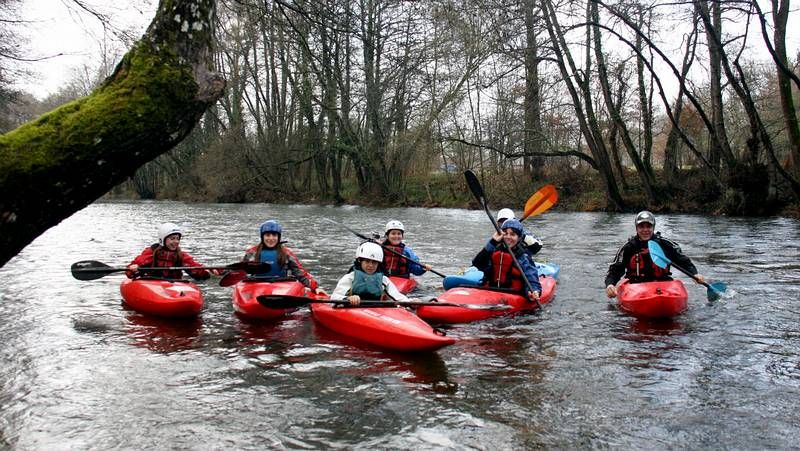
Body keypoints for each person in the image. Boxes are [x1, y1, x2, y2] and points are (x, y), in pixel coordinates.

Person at [605, 211, 706, 298]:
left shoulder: (665, 244)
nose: (645, 230)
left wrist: (695, 274)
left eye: (648, 226)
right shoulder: (628, 247)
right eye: (641, 226)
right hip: (636, 286)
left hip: (663, 284)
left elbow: (682, 261)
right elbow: (615, 270)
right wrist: (610, 285)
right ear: (636, 228)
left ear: (653, 227)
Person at [242, 220, 325, 295]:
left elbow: (300, 273)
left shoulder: (287, 253)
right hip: (257, 286)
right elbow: (240, 272)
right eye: (267, 235)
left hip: (281, 287)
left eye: (274, 235)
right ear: (262, 237)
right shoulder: (252, 252)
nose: (271, 238)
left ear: (278, 237)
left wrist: (315, 287)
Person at [472, 218, 541, 302]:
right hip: (489, 293)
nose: (508, 237)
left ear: (519, 238)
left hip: (512, 296)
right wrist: (493, 241)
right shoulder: (493, 251)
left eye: (512, 234)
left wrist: (533, 292)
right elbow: (477, 263)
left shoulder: (523, 258)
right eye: (505, 234)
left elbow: (532, 281)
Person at [126, 222, 219, 279]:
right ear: (163, 239)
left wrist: (207, 270)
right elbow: (129, 271)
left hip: (174, 286)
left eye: (178, 238)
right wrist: (133, 268)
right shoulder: (151, 252)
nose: (176, 242)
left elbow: (196, 269)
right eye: (172, 238)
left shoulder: (181, 255)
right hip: (152, 284)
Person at [330, 242, 410, 306]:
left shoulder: (383, 279)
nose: (370, 265)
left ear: (379, 264)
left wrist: (410, 302)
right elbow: (334, 297)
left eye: (374, 262)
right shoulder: (350, 277)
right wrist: (347, 299)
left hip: (375, 311)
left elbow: (397, 296)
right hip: (352, 309)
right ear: (360, 261)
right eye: (367, 261)